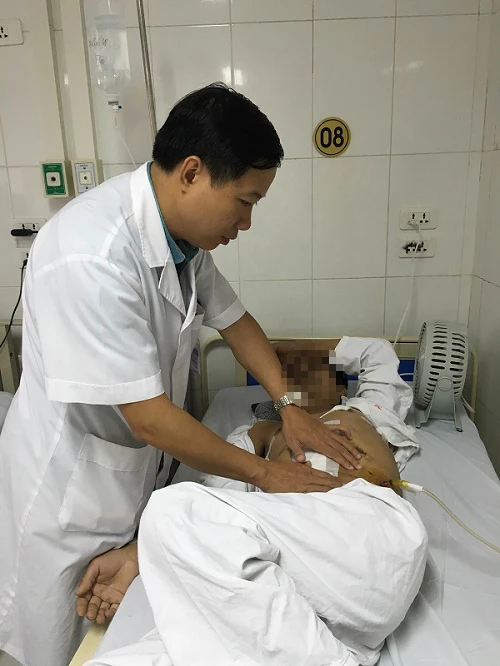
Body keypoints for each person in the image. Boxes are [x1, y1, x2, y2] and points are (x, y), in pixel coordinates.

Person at [0, 84, 362, 666]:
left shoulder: (183, 246)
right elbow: (148, 419)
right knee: (57, 644)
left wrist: (291, 405)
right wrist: (265, 474)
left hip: (133, 483)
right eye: (245, 201)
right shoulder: (90, 252)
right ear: (192, 173)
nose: (247, 222)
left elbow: (235, 322)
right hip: (69, 498)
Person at [84, 337, 426, 666]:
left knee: (169, 509)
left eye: (311, 370)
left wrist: (292, 349)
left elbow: (376, 353)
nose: (295, 378)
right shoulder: (264, 434)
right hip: (301, 583)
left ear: (341, 388)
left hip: (369, 534)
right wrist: (265, 429)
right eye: (287, 375)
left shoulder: (367, 411)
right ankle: (315, 651)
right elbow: (220, 498)